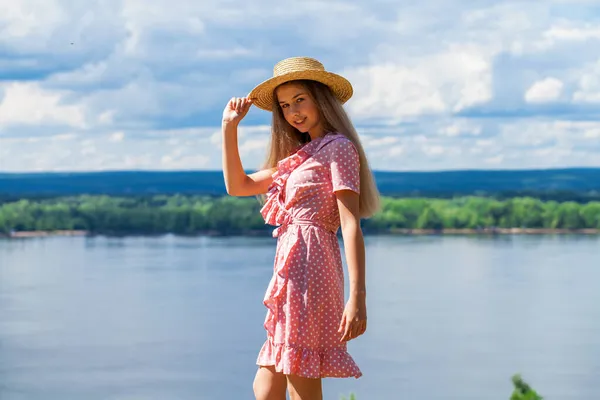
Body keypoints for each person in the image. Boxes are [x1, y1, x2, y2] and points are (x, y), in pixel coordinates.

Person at [221, 56, 380, 400]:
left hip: (313, 272)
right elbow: (238, 185)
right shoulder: (299, 157)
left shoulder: (338, 148)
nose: (293, 111)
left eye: (299, 100)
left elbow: (350, 223)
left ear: (320, 98)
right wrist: (229, 128)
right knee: (265, 389)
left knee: (301, 385)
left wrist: (358, 297)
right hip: (288, 276)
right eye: (284, 105)